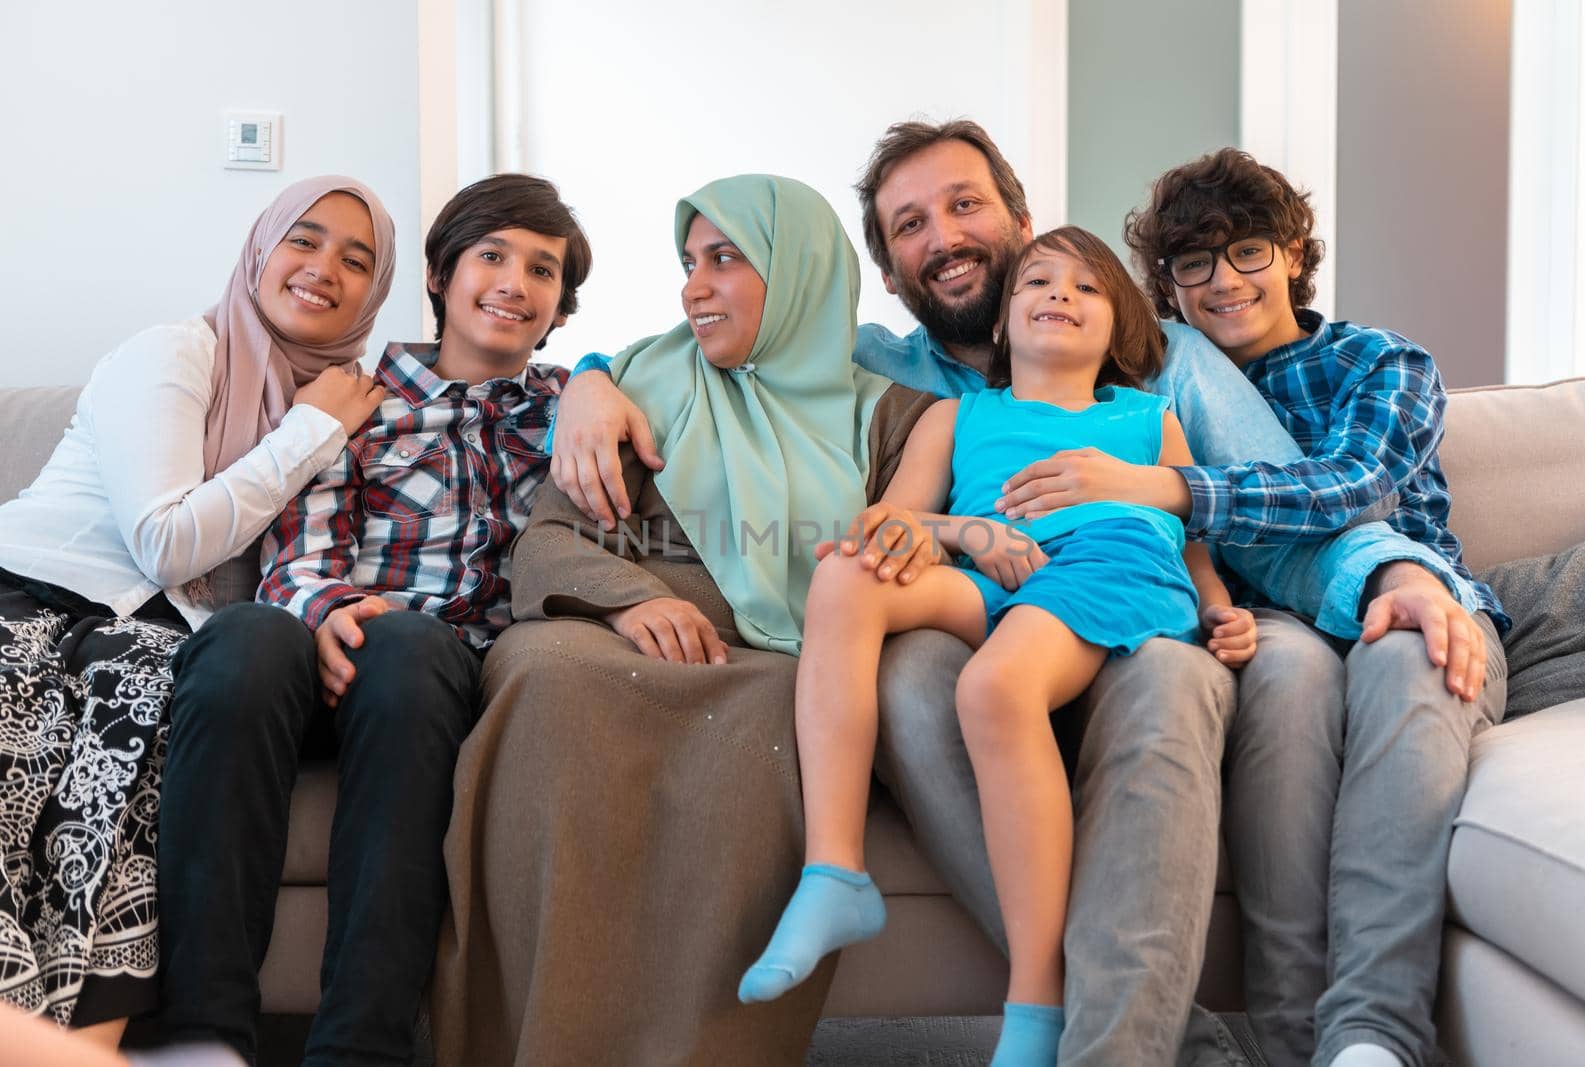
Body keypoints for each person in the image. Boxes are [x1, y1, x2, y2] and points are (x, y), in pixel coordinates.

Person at [550, 120, 1485, 1065]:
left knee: (1248, 674)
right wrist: (588, 379)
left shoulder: (1157, 361)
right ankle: (1091, 1012)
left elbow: (1258, 501)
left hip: (1150, 601)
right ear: (885, 270)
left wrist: (1392, 573)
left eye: (965, 205)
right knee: (914, 672)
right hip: (989, 607)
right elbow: (732, 329)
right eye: (910, 224)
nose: (944, 237)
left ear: (1021, 218)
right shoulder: (881, 367)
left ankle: (1234, 1037)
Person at [429, 174, 936, 1066]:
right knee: (547, 676)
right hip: (600, 628)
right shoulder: (638, 383)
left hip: (779, 659)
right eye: (688, 262)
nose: (693, 286)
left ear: (802, 272)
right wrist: (636, 600)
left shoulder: (890, 417)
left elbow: (914, 556)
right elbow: (546, 543)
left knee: (778, 710)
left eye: (726, 259)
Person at [741, 226, 1259, 1066]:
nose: (1060, 295)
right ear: (1002, 319)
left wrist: (1216, 605)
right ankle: (834, 872)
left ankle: (1034, 1006)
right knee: (847, 574)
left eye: (1087, 289)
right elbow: (893, 523)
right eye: (1039, 283)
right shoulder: (956, 416)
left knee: (992, 688)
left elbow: (1189, 533)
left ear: (1119, 325)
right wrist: (969, 529)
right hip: (1001, 572)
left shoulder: (1146, 418)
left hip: (1107, 565)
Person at [154, 173, 590, 1066]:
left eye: (541, 271)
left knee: (408, 649)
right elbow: (302, 546)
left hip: (427, 681)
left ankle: (360, 1047)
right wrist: (326, 610)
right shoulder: (356, 395)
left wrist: (598, 382)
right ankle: (200, 1034)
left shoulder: (562, 412)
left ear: (559, 306)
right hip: (311, 654)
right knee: (241, 637)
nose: (514, 282)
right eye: (492, 257)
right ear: (439, 275)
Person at [1119, 147, 1508, 1067]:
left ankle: (1373, 1036)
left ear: (1294, 251)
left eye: (1247, 250)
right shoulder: (1169, 385)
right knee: (1284, 678)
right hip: (1276, 626)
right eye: (1193, 264)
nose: (1223, 282)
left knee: (1407, 647)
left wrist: (1180, 489)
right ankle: (1299, 1046)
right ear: (1168, 286)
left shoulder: (1377, 361)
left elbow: (1357, 486)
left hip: (1410, 595)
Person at [0, 176, 394, 1049]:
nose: (324, 267)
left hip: (146, 652)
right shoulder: (179, 354)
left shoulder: (360, 407)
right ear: (260, 251)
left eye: (357, 259)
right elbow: (166, 543)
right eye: (304, 239)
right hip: (26, 598)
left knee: (140, 743)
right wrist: (307, 431)